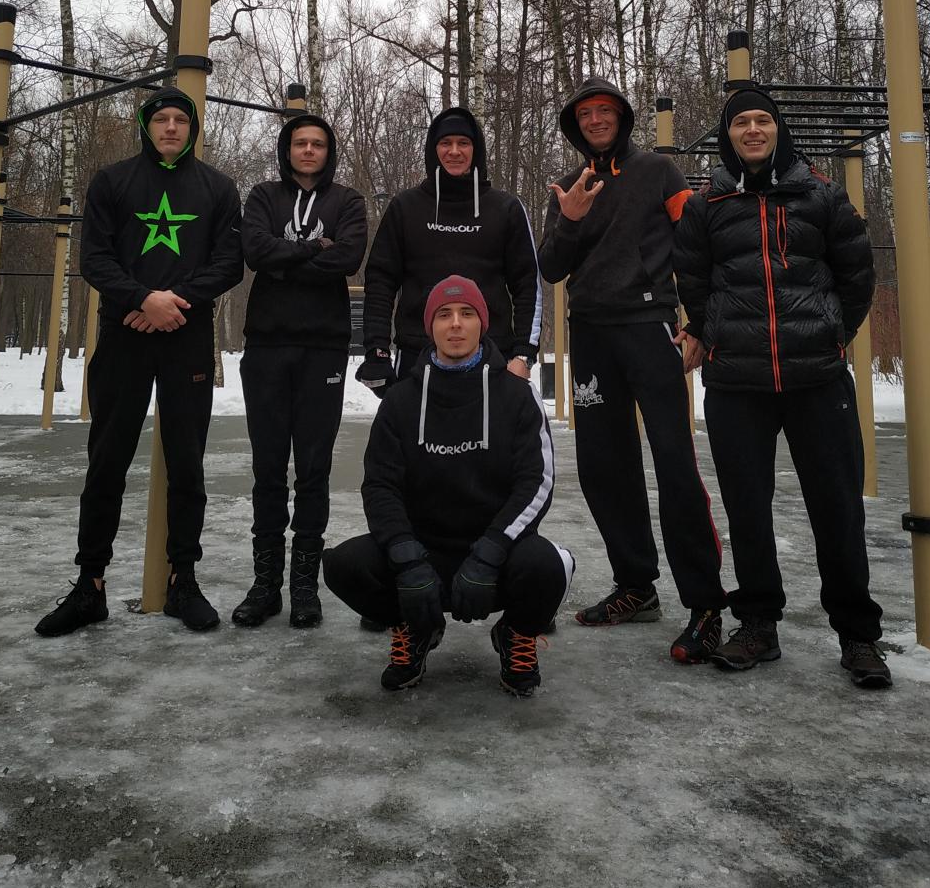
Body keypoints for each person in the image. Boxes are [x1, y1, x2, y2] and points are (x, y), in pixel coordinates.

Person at [674, 85, 890, 689]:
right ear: (728, 135)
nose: (752, 130)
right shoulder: (708, 204)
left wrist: (832, 334)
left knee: (837, 507)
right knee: (747, 509)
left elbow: (856, 275)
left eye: (762, 120)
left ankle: (857, 634)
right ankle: (757, 624)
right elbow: (692, 279)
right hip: (736, 381)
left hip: (817, 378)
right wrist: (714, 334)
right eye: (740, 121)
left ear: (777, 129)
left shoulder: (821, 195)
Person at [35, 87, 243, 637]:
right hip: (123, 334)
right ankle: (90, 585)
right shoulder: (112, 181)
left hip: (187, 337)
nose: (171, 127)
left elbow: (229, 263)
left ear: (192, 128)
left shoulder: (219, 188)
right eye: (161, 119)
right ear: (146, 126)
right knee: (107, 460)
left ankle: (184, 580)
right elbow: (95, 258)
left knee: (187, 463)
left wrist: (173, 302)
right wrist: (142, 299)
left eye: (181, 120)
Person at [538, 78, 727, 662]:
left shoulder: (658, 171)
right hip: (591, 334)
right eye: (585, 114)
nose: (596, 120)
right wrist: (570, 218)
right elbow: (550, 266)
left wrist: (700, 321)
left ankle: (706, 606)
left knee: (674, 464)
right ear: (574, 125)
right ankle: (636, 585)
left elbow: (696, 245)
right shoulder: (569, 184)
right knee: (604, 467)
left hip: (650, 328)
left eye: (605, 111)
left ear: (622, 117)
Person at [324, 276, 573, 696]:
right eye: (444, 315)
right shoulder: (400, 401)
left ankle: (515, 633)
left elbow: (537, 481)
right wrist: (407, 558)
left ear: (482, 323)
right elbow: (380, 486)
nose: (456, 323)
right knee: (345, 566)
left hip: (497, 556)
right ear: (430, 326)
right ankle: (416, 628)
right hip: (424, 557)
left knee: (547, 567)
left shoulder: (517, 395)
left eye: (466, 313)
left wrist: (491, 550)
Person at [232, 112, 367, 630]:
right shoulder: (263, 197)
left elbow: (348, 258)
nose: (309, 150)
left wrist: (285, 260)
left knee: (313, 469)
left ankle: (304, 587)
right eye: (300, 142)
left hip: (323, 348)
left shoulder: (347, 201)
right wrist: (312, 249)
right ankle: (265, 585)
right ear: (286, 149)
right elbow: (254, 251)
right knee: (268, 468)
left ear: (328, 152)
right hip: (267, 345)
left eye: (318, 144)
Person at [356, 107, 540, 394]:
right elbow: (381, 282)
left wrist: (523, 355)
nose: (454, 151)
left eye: (463, 143)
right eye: (446, 143)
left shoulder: (506, 208)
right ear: (434, 149)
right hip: (417, 354)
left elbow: (528, 285)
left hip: (491, 355)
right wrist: (377, 351)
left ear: (476, 149)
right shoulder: (406, 207)